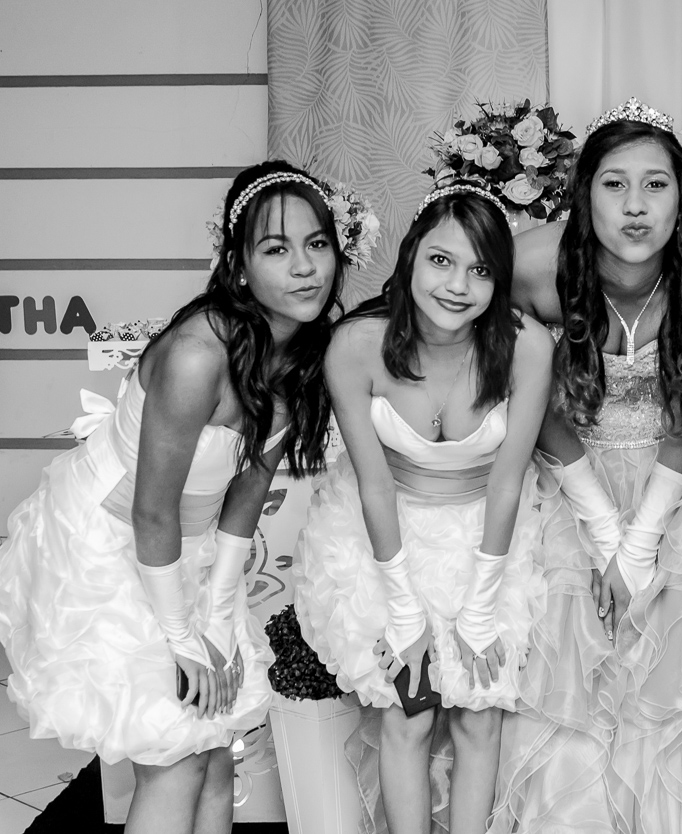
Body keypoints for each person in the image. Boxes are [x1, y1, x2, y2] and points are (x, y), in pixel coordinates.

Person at [0, 160, 353, 834]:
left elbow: (247, 493)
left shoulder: (300, 352)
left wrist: (217, 617)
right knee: (177, 757)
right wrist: (182, 638)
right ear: (238, 267)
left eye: (317, 244)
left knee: (216, 754)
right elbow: (151, 511)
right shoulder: (197, 355)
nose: (305, 267)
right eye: (276, 249)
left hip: (183, 548)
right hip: (108, 544)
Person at [503, 98, 682, 833]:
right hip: (569, 482)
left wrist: (642, 541)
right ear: (583, 193)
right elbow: (526, 396)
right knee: (573, 682)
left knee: (680, 689)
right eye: (614, 185)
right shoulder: (531, 266)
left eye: (656, 186)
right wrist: (604, 531)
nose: (636, 207)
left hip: (678, 482)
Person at [292, 183, 551, 834]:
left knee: (479, 718)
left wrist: (480, 608)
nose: (458, 286)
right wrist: (405, 613)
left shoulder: (526, 346)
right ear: (410, 255)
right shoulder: (356, 345)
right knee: (408, 713)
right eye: (441, 260)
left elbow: (508, 483)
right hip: (385, 538)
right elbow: (374, 486)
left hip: (488, 538)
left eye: (480, 270)